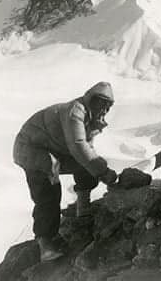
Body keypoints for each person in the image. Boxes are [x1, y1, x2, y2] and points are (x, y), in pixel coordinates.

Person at [13, 82, 118, 261]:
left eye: (106, 106)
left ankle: (83, 206)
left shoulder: (89, 118)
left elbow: (87, 152)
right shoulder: (75, 112)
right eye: (100, 103)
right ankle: (45, 244)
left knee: (86, 165)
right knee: (48, 191)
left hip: (53, 149)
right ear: (90, 99)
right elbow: (78, 147)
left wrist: (98, 169)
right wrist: (104, 172)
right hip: (30, 149)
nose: (103, 109)